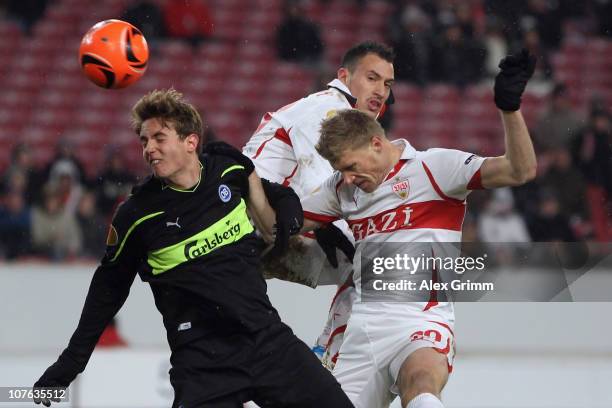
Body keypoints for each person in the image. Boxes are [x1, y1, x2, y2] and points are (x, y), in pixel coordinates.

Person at [33, 89, 353, 408]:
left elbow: (279, 196)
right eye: (144, 141)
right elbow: (107, 292)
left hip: (266, 340)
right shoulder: (136, 216)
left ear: (191, 141)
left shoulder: (226, 171)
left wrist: (289, 223)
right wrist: (69, 365)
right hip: (203, 363)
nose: (149, 149)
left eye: (159, 138)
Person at [299, 50, 537, 407]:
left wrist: (510, 109)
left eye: (350, 166)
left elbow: (519, 171)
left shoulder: (435, 168)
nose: (346, 177)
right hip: (363, 330)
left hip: (422, 321)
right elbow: (284, 220)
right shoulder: (342, 188)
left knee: (421, 386)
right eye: (339, 168)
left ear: (376, 144)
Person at [243, 41, 395, 369]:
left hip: (271, 233)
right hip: (253, 225)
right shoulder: (328, 110)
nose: (381, 91)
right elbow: (320, 186)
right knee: (381, 264)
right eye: (372, 78)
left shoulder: (344, 120)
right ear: (343, 76)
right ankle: (326, 356)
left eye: (387, 83)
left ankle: (326, 357)